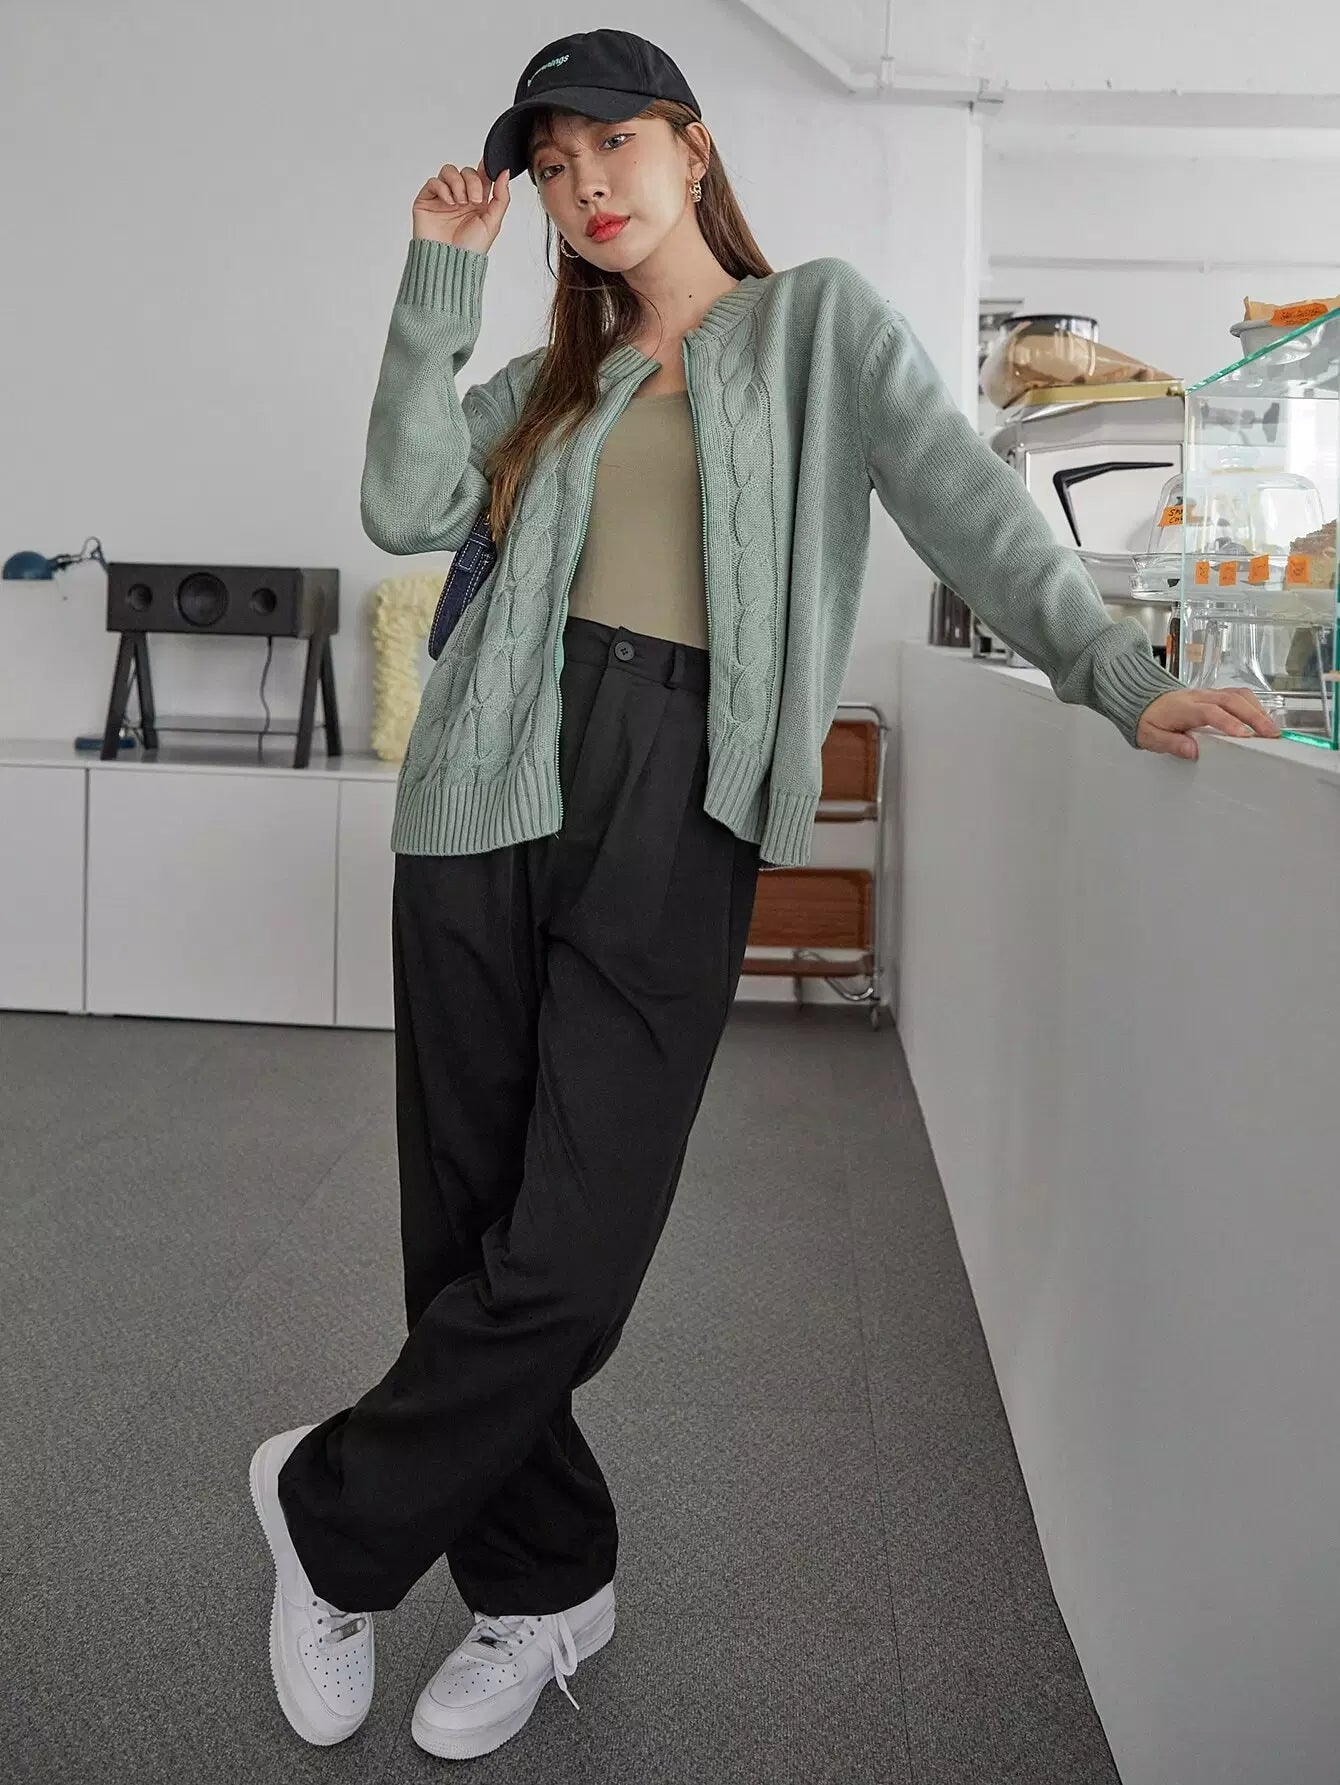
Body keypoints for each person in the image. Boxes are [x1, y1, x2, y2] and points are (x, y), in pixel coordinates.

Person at [248, 25, 1281, 1766]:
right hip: (491, 781)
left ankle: (324, 1509)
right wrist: (439, 279)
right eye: (553, 167)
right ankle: (544, 1587)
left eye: (612, 147)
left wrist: (1114, 670)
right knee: (469, 1231)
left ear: (694, 146)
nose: (584, 188)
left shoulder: (818, 328)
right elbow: (401, 499)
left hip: (682, 790)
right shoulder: (551, 381)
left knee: (571, 1256)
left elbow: (967, 504)